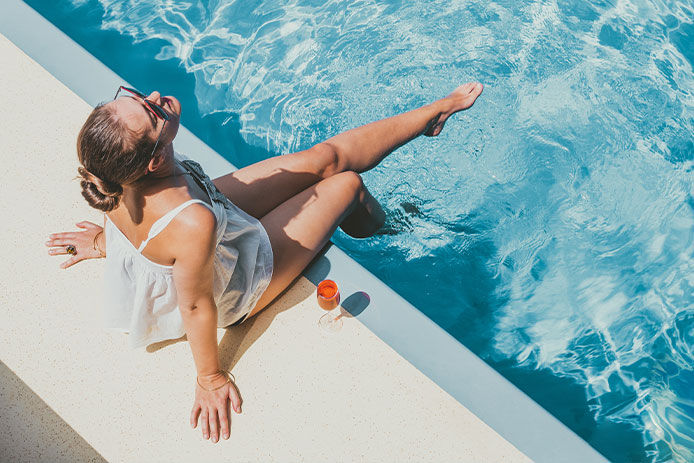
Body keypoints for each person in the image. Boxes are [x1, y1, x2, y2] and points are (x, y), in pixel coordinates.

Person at [45, 82, 483, 443]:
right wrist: (211, 378)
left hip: (214, 217)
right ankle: (392, 234)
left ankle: (433, 114)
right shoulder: (190, 222)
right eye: (151, 111)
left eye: (137, 96)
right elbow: (196, 306)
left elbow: (136, 228)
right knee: (347, 184)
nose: (156, 96)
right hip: (240, 280)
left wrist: (107, 241)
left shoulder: (107, 167)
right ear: (155, 158)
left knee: (324, 159)